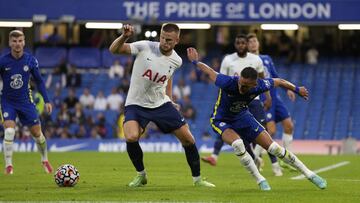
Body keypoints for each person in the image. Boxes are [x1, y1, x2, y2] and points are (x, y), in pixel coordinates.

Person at [187, 47, 327, 190]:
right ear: (239, 77)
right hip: (221, 119)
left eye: (246, 86)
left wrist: (297, 89)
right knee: (238, 144)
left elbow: (279, 81)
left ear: (254, 84)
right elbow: (209, 71)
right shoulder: (228, 82)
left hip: (243, 116)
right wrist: (195, 62)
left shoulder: (259, 85)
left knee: (275, 148)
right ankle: (260, 179)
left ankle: (310, 175)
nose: (242, 88)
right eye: (241, 83)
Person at [109, 24, 215, 187]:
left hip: (160, 104)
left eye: (169, 40)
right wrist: (124, 36)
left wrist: (170, 99)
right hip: (136, 103)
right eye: (163, 37)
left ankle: (198, 180)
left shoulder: (177, 60)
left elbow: (168, 77)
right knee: (130, 136)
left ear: (177, 40)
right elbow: (114, 50)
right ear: (160, 35)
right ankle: (141, 175)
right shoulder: (144, 47)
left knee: (188, 139)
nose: (165, 41)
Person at [201, 34, 274, 172]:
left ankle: (273, 162)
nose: (240, 45)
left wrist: (268, 97)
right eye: (238, 43)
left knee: (263, 129)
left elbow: (263, 79)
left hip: (255, 101)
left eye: (243, 43)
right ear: (235, 44)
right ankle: (254, 158)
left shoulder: (256, 59)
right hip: (234, 100)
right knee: (234, 131)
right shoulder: (228, 60)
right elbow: (221, 79)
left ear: (246, 44)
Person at [0, 30, 53, 175]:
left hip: (25, 102)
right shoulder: (2, 61)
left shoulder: (30, 60)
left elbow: (40, 81)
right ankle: (9, 166)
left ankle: (45, 160)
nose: (17, 44)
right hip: (7, 102)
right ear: (10, 43)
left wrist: (47, 100)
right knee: (10, 131)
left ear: (24, 42)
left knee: (37, 133)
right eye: (14, 41)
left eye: (20, 41)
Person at [247, 33, 296, 171]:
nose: (253, 43)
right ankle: (256, 159)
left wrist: (288, 89)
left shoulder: (266, 58)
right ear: (247, 45)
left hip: (275, 97)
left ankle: (287, 158)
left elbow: (275, 76)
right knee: (270, 131)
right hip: (263, 98)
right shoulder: (248, 61)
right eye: (250, 42)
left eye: (254, 41)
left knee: (289, 125)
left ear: (258, 43)